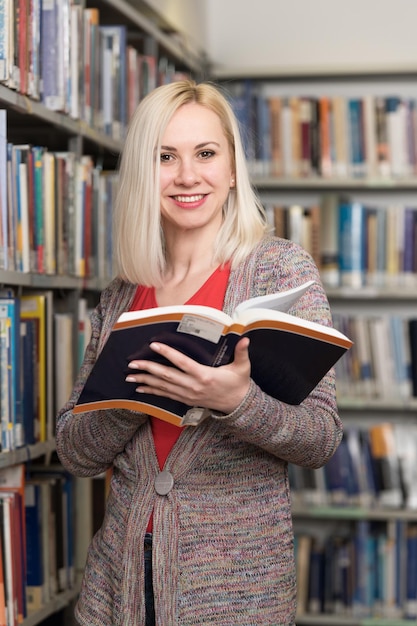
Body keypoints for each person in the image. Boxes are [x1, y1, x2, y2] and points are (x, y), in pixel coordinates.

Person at [56, 79, 343, 626]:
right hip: (117, 587)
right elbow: (75, 453)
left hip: (234, 592)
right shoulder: (124, 292)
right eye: (166, 157)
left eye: (205, 153)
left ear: (232, 168)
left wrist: (237, 402)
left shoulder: (280, 271)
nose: (188, 175)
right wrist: (132, 393)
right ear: (145, 172)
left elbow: (320, 439)